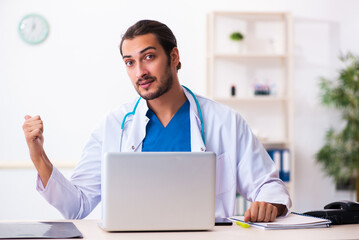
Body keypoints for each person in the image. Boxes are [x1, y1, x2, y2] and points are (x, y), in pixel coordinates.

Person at [23, 19, 291, 222]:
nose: (140, 71)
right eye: (130, 62)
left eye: (149, 57)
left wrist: (268, 204)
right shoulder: (113, 126)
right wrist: (38, 156)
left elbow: (267, 185)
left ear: (173, 57)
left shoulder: (225, 121)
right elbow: (77, 206)